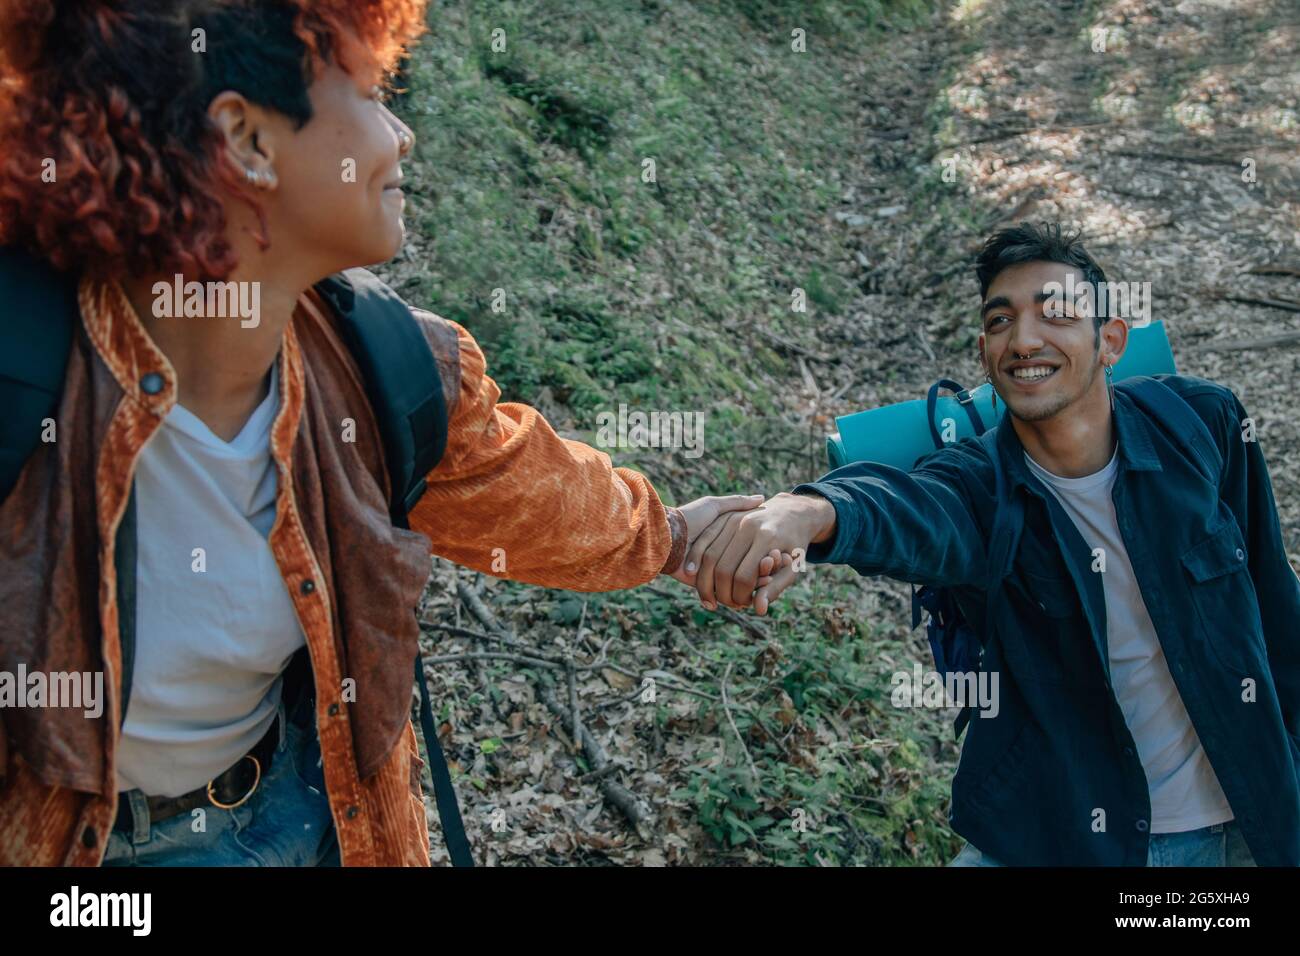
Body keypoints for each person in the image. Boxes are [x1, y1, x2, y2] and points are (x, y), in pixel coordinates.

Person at [0, 0, 778, 866]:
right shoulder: (24, 374)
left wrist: (677, 536)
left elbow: (541, 500)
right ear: (248, 142)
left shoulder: (386, 368)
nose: (399, 134)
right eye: (371, 94)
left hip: (313, 812)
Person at [684, 222, 1300, 866]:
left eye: (1056, 314)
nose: (1024, 338)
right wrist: (807, 513)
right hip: (1069, 834)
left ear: (1110, 339)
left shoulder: (1202, 424)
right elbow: (906, 507)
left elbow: (1273, 602)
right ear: (985, 351)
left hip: (1248, 820)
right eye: (1001, 321)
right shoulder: (979, 487)